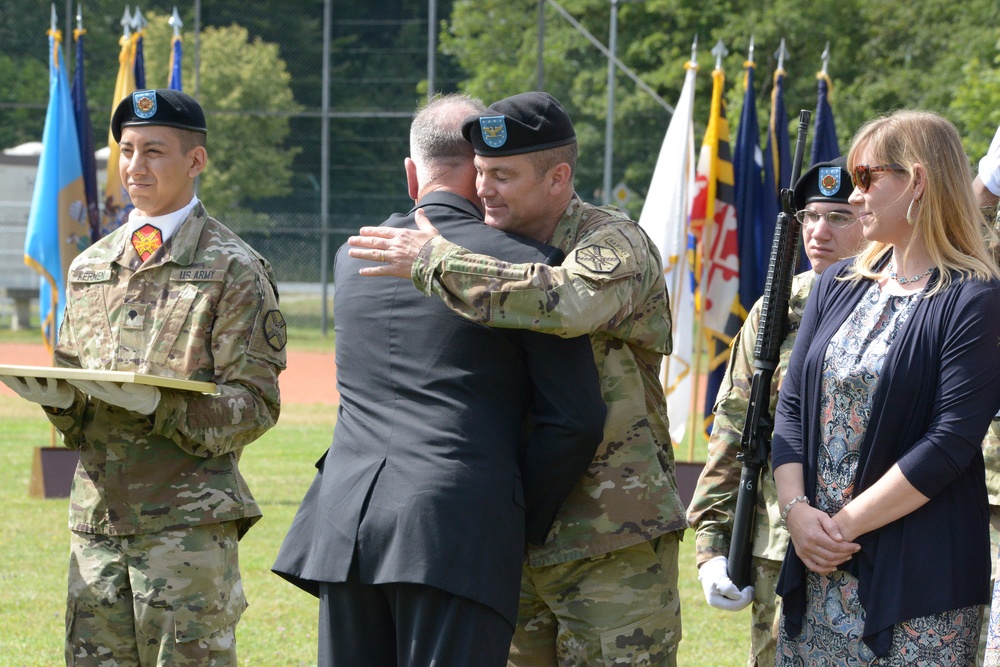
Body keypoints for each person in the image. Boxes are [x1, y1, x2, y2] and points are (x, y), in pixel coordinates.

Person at [348, 91, 685, 666]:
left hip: (611, 533)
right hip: (517, 527)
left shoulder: (612, 240)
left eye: (502, 175)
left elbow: (567, 302)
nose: (482, 189)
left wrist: (436, 261)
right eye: (479, 172)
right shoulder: (482, 244)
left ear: (558, 178)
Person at [271, 93, 606, 667]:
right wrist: (516, 511)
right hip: (457, 529)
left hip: (348, 521)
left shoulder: (351, 257)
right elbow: (574, 419)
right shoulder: (523, 265)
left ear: (411, 174)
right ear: (480, 176)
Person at [0, 89, 286, 666]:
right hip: (98, 524)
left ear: (195, 161)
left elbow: (255, 404)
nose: (135, 166)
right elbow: (78, 404)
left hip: (185, 530)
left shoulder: (233, 267)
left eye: (154, 151)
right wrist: (55, 400)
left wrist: (158, 404)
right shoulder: (91, 267)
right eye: (127, 150)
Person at [771, 109, 1000, 664]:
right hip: (818, 567)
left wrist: (838, 529)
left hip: (919, 585)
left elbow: (950, 441)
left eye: (868, 179)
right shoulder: (835, 286)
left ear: (918, 180)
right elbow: (793, 408)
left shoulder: (976, 298)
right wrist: (799, 515)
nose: (854, 197)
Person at [687, 156, 865, 667]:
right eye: (810, 216)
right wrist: (711, 545)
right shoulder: (777, 308)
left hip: (868, 539)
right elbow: (735, 425)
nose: (818, 232)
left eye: (839, 217)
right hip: (780, 542)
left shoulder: (906, 301)